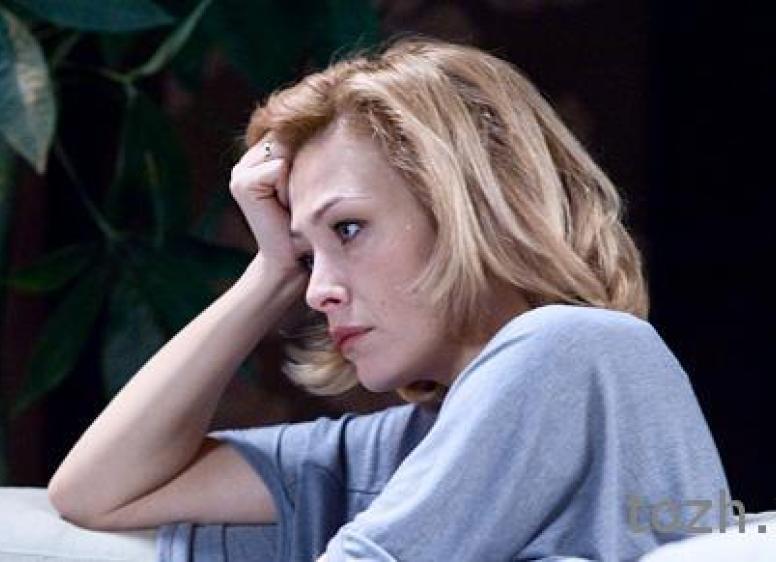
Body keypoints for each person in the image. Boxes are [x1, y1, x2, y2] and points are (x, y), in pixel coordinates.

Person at [46, 36, 733, 561]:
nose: (318, 291)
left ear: (473, 208)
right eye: (308, 256)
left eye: (348, 229)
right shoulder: (399, 449)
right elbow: (96, 492)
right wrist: (270, 272)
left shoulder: (579, 348)